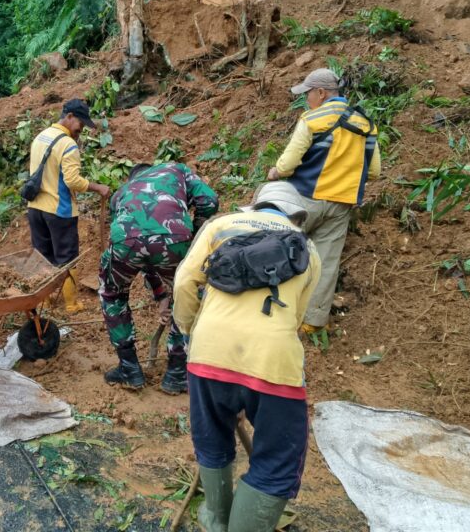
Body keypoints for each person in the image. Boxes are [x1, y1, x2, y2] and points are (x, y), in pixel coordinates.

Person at [172, 182, 321, 532]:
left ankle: (217, 519)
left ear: (254, 206)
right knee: (278, 460)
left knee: (212, 437)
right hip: (271, 363)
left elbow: (183, 284)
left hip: (207, 355)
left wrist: (191, 331)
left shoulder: (219, 226)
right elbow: (297, 318)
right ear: (294, 216)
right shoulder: (308, 248)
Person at [267, 68, 379, 334]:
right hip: (341, 205)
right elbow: (373, 171)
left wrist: (275, 172)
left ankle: (268, 310)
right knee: (326, 262)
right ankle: (313, 322)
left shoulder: (312, 118)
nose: (306, 99)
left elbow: (288, 163)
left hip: (304, 199)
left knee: (278, 248)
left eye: (307, 94)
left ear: (321, 93)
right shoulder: (366, 123)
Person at [99, 161, 218, 393]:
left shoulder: (121, 194)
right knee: (188, 293)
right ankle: (177, 370)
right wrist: (195, 235)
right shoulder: (176, 170)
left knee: (112, 294)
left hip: (125, 243)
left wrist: (159, 292)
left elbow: (139, 246)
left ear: (133, 179)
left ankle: (129, 368)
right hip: (175, 239)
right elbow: (210, 202)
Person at [26, 99, 110, 312]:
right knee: (67, 258)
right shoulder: (68, 144)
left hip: (35, 208)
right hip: (59, 211)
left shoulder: (40, 136)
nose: (81, 129)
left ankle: (44, 300)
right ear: (69, 116)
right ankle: (71, 304)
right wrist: (97, 187)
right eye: (80, 123)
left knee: (43, 256)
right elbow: (72, 180)